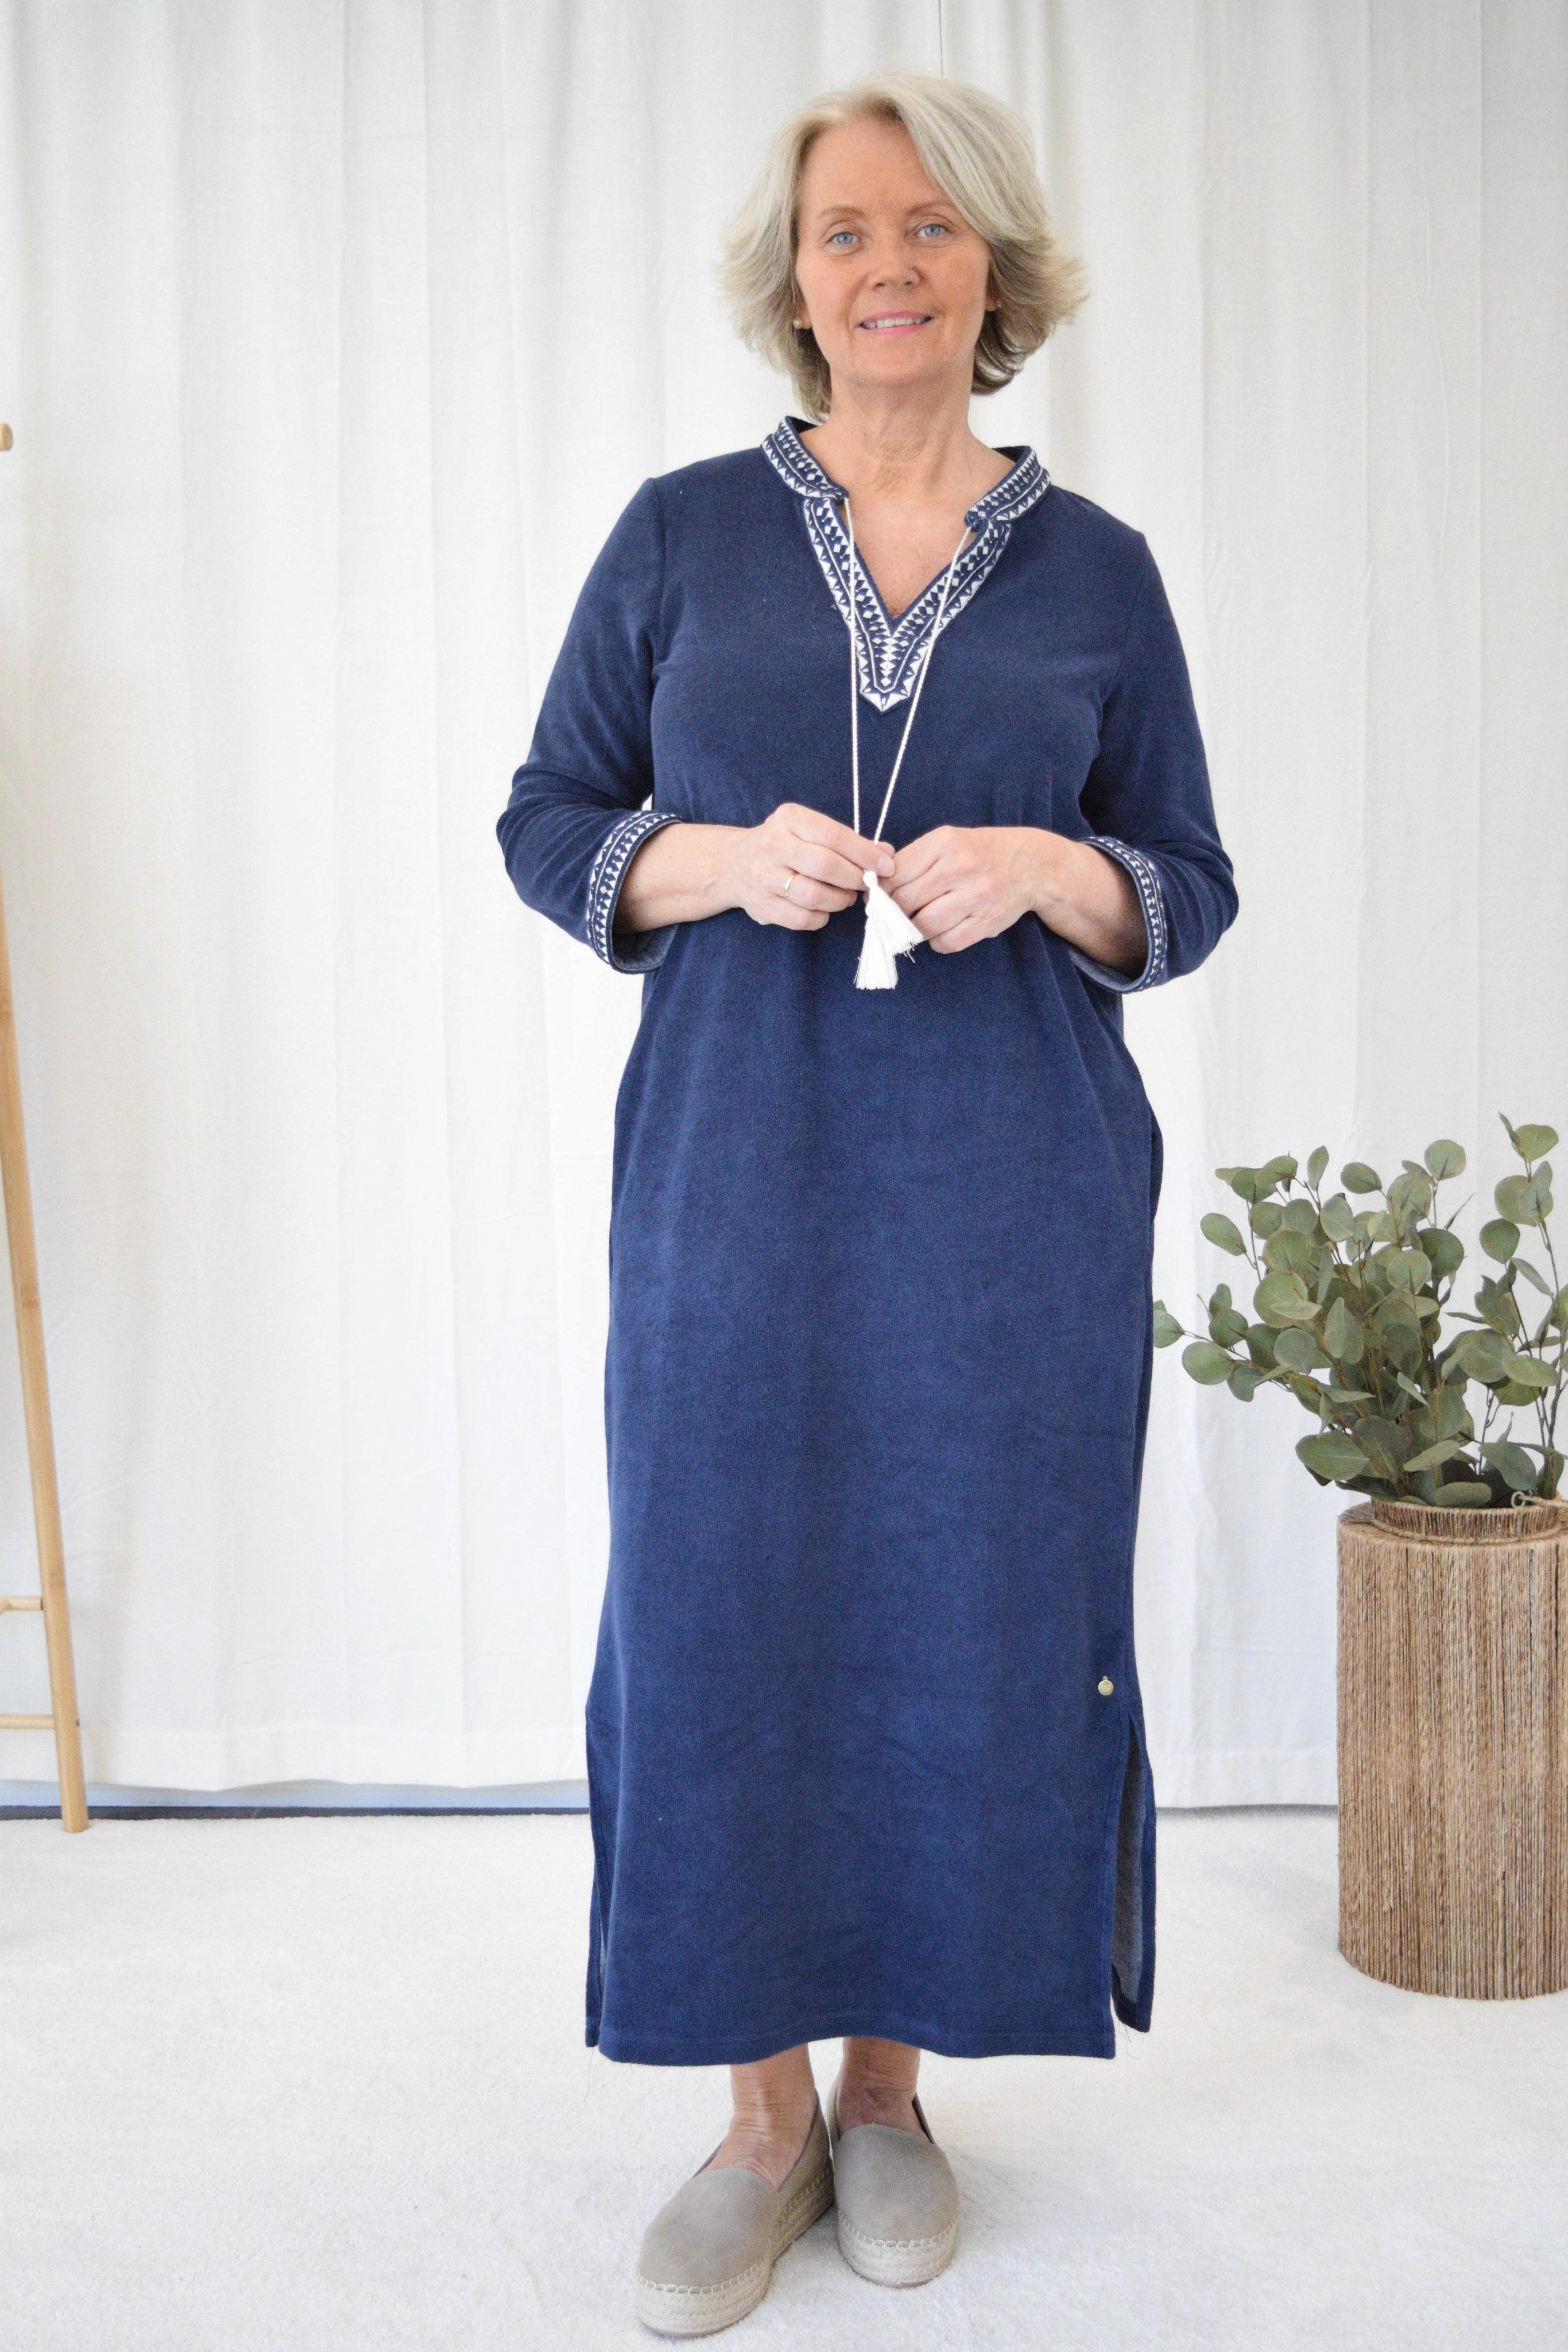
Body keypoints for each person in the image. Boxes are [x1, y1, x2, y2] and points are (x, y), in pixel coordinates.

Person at [497, 70, 1238, 2338]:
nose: (886, 263)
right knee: (723, 1599)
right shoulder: (676, 536)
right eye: (843, 230)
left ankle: (893, 2092)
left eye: (927, 226)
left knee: (965, 1602)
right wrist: (711, 858)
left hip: (1009, 1196)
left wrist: (1056, 870)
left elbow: (1188, 883)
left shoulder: (1097, 570)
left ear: (990, 265)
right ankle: (755, 2118)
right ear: (792, 277)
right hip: (733, 1179)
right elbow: (548, 817)